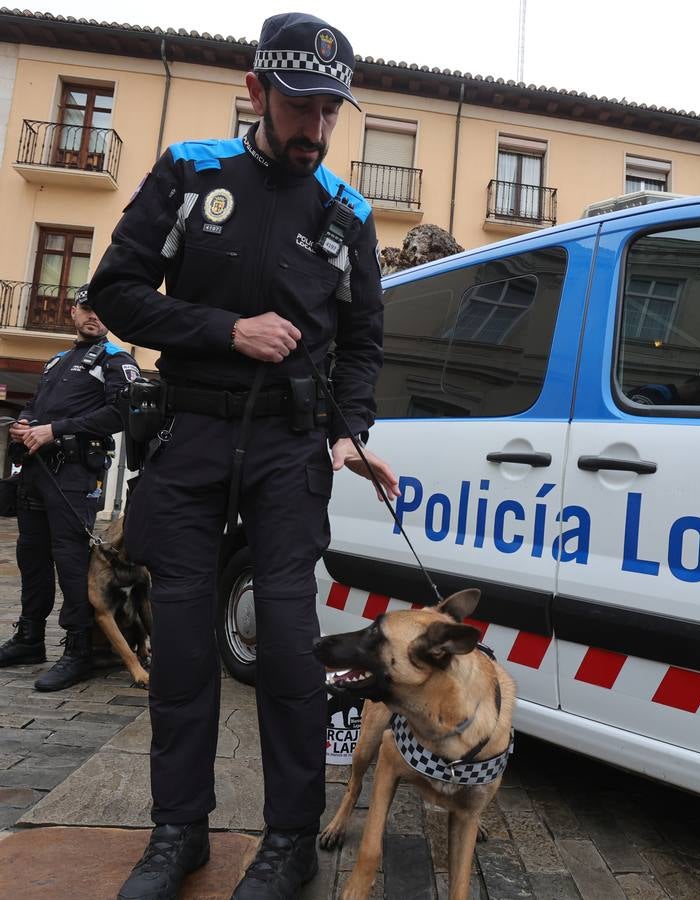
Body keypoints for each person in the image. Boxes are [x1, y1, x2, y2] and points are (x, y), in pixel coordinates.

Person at [88, 13, 399, 900]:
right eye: (301, 106)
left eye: (331, 111)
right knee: (182, 645)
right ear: (256, 92)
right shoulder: (190, 173)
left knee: (290, 648)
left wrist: (351, 430)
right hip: (190, 435)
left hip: (289, 448)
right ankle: (177, 831)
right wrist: (226, 328)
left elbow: (365, 341)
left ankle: (289, 840)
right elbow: (114, 292)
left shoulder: (349, 211)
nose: (317, 128)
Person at [0, 286, 139, 691]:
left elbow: (121, 411)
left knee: (71, 561)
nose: (94, 316)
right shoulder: (57, 361)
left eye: (102, 311)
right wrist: (24, 425)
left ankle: (80, 651)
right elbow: (35, 405)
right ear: (74, 311)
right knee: (31, 555)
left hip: (75, 474)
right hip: (37, 472)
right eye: (88, 309)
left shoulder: (116, 359)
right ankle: (29, 637)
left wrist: (54, 430)